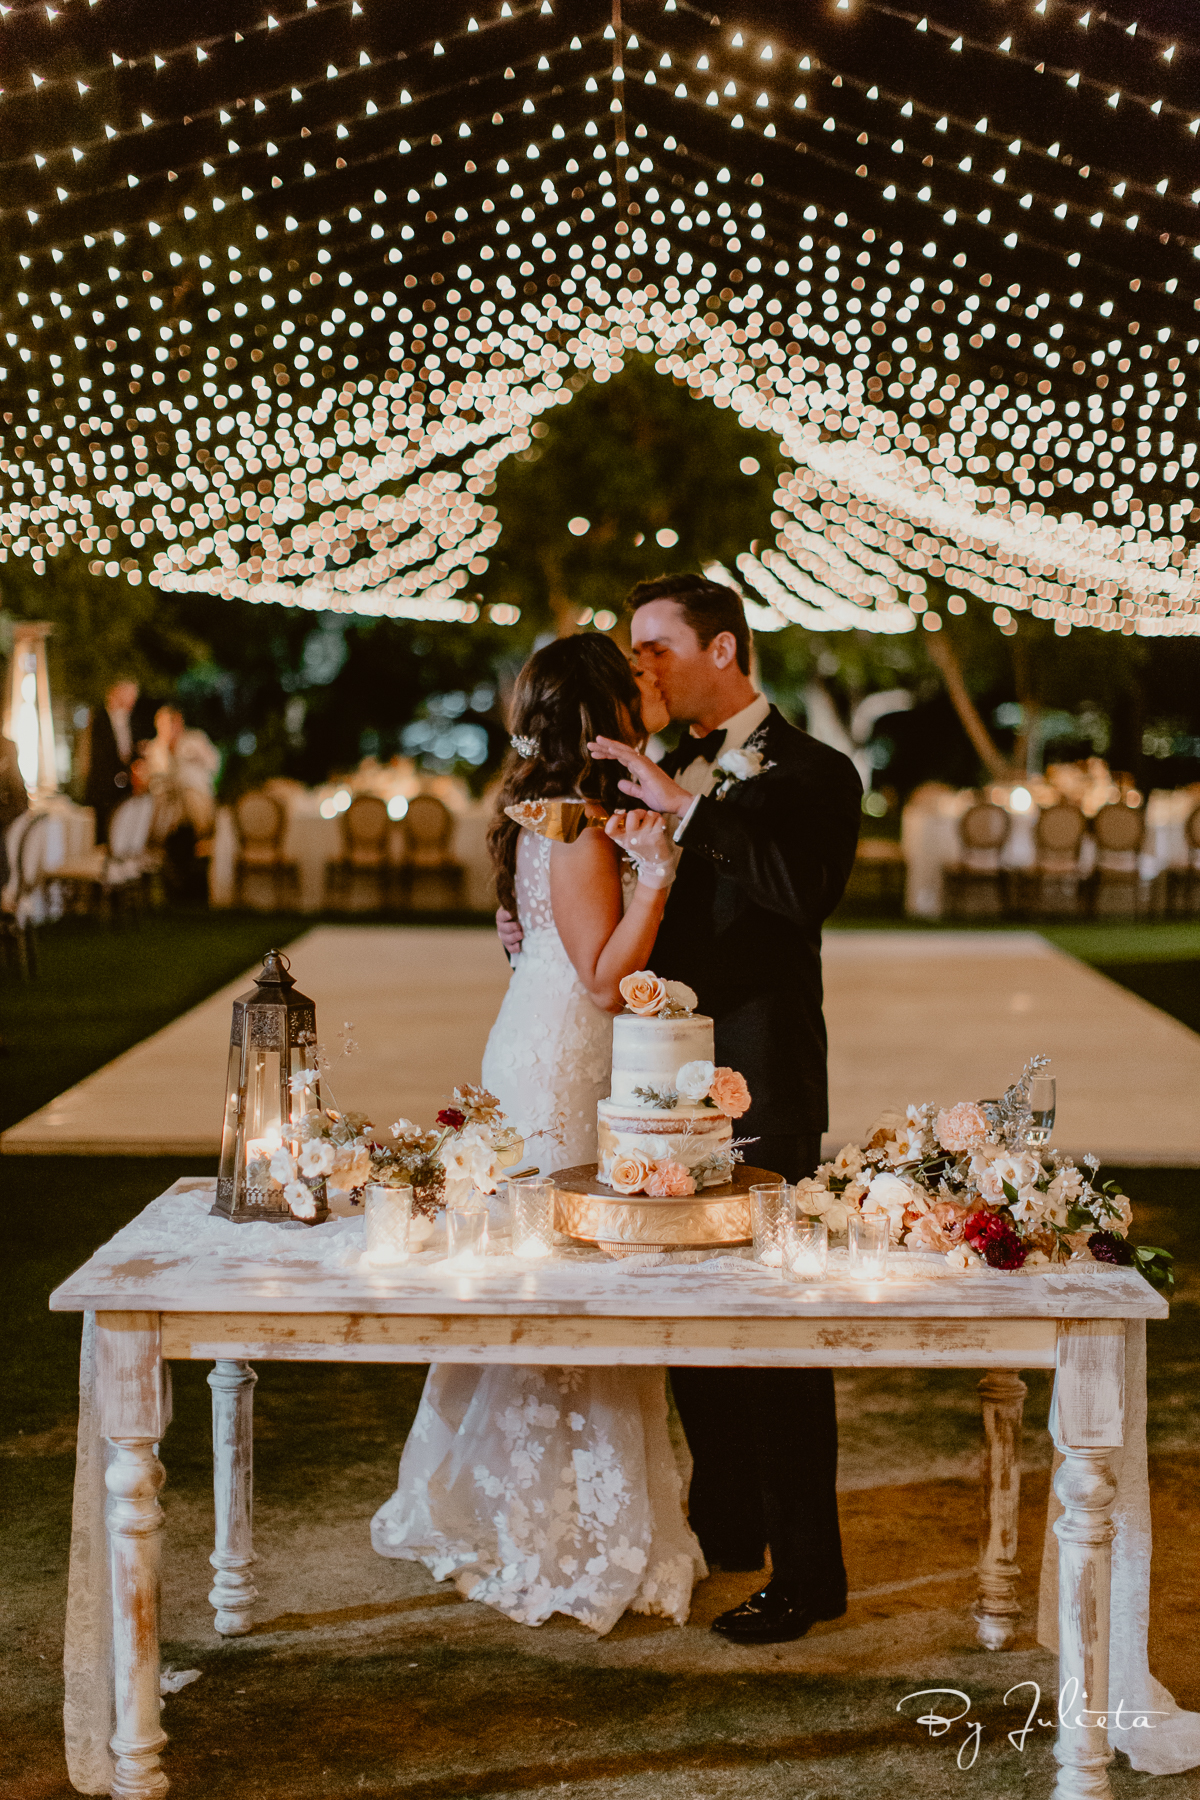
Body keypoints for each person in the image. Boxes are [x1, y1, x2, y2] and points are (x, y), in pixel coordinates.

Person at [499, 573, 862, 1645]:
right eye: (634, 651)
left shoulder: (813, 773)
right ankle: (729, 1521)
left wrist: (687, 810)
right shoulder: (652, 772)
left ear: (726, 648)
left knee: (779, 1333)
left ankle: (810, 1572)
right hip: (654, 1088)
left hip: (759, 1079)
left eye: (657, 647)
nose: (641, 665)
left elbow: (801, 893)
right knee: (692, 1321)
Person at [371, 634, 707, 1635]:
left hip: (539, 1036)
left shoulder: (542, 810)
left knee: (547, 1268)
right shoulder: (575, 831)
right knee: (572, 1275)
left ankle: (542, 1508)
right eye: (634, 685)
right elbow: (604, 976)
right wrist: (655, 874)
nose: (650, 695)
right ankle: (560, 1530)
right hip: (566, 1055)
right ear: (609, 711)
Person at [83, 679, 139, 846]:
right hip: (103, 790)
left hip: (124, 792)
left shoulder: (132, 721)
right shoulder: (99, 718)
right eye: (129, 692)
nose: (133, 698)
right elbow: (98, 758)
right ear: (116, 691)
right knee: (102, 838)